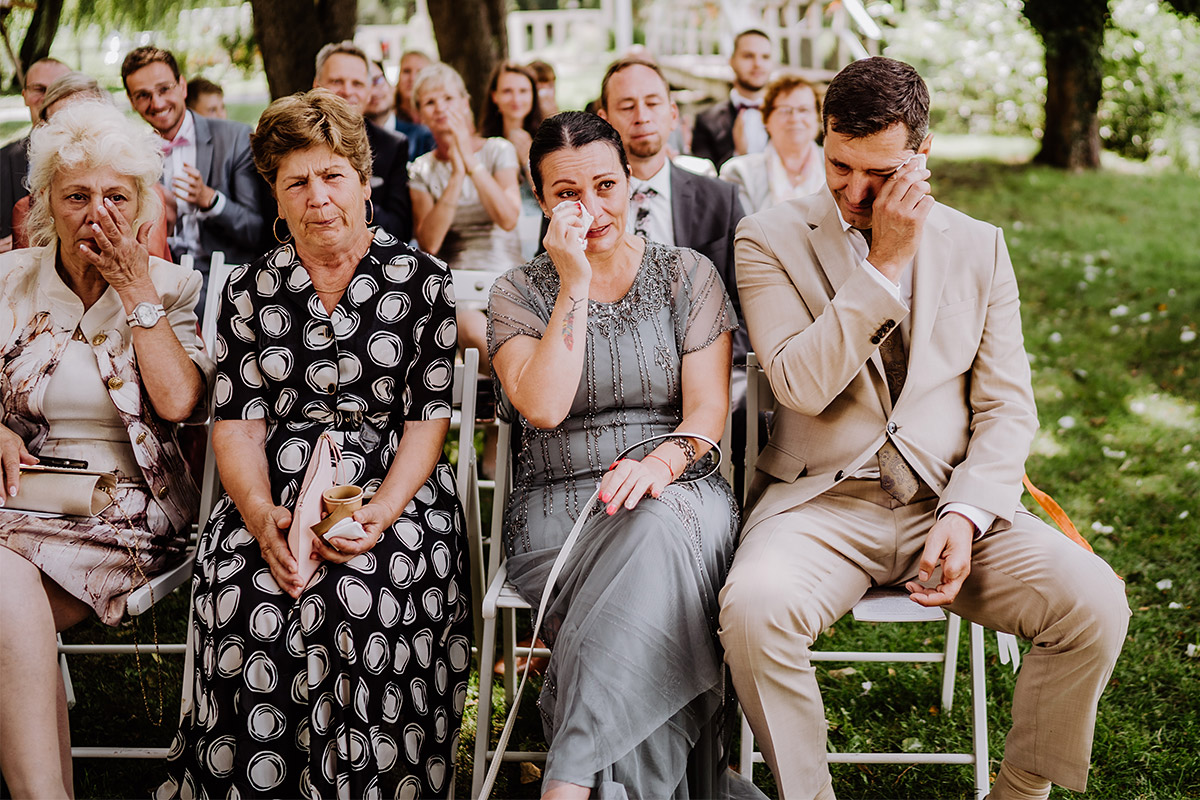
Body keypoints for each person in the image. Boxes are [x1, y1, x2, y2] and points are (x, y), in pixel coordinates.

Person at [719, 57, 1130, 800]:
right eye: (838, 164)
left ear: (922, 156)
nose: (853, 190)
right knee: (752, 612)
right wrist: (884, 263)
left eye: (878, 173)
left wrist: (968, 514)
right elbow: (798, 383)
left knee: (1095, 603)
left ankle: (1018, 791)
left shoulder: (981, 246)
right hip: (821, 508)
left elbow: (1008, 408)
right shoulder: (766, 237)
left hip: (950, 502)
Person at [158, 89, 472, 799]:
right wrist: (260, 516)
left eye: (332, 176)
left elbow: (427, 426)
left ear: (366, 183)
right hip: (271, 485)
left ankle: (378, 784)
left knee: (360, 588)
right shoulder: (247, 287)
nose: (317, 196)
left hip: (394, 488)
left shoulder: (424, 282)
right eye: (296, 181)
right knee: (249, 586)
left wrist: (381, 515)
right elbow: (236, 423)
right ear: (274, 192)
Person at [488, 110, 756, 799]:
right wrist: (572, 280)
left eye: (606, 185)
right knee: (647, 579)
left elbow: (704, 415)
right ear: (540, 200)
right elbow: (543, 407)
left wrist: (659, 464)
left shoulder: (686, 275)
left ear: (633, 181)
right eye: (567, 194)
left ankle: (571, 780)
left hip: (679, 487)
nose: (591, 208)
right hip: (560, 509)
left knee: (656, 526)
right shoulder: (517, 292)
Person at [0, 100, 212, 799]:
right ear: (45, 205)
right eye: (78, 195)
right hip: (16, 496)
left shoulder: (175, 288)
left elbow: (180, 404)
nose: (97, 210)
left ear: (143, 206)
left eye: (116, 195)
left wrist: (133, 287)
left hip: (124, 507)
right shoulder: (10, 280)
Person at [597, 56, 747, 363]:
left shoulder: (721, 199)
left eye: (652, 103)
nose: (641, 117)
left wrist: (708, 367)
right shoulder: (581, 204)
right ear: (604, 119)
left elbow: (745, 306)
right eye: (627, 107)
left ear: (673, 113)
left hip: (702, 366)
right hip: (605, 365)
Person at [122, 46, 269, 314]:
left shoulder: (235, 138)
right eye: (143, 95)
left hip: (223, 281)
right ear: (132, 101)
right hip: (159, 281)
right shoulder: (131, 154)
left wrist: (210, 201)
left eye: (164, 89)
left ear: (182, 87)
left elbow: (256, 231)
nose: (156, 103)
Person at [409, 62, 521, 372]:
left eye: (448, 98)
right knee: (473, 329)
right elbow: (429, 241)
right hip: (457, 289)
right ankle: (517, 402)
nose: (440, 108)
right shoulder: (420, 170)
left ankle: (510, 405)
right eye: (430, 102)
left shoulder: (498, 151)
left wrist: (471, 163)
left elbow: (508, 217)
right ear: (420, 113)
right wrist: (457, 175)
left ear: (465, 101)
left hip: (506, 280)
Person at [9, 73, 172, 263]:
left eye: (93, 121)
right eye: (62, 125)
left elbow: (152, 272)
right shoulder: (26, 209)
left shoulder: (145, 197)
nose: (81, 136)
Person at [313, 41, 413, 243]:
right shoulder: (289, 142)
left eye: (357, 83)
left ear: (369, 92)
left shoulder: (393, 146)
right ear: (317, 86)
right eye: (336, 81)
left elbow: (399, 229)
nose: (347, 91)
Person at [719, 71, 825, 214]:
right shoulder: (740, 173)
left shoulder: (841, 167)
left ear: (818, 119)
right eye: (785, 110)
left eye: (804, 110)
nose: (795, 118)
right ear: (766, 119)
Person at [1, 57, 71, 253]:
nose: (48, 98)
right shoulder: (1, 161)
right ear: (24, 95)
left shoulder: (97, 162)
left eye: (58, 90)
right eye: (39, 89)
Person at [692, 29, 774, 170]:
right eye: (748, 56)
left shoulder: (790, 114)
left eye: (765, 57)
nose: (758, 64)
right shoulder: (706, 121)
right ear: (732, 61)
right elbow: (702, 183)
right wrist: (738, 156)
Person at [479, 61, 544, 193]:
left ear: (533, 95)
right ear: (494, 96)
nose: (516, 99)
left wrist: (528, 160)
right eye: (507, 91)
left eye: (523, 91)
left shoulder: (550, 138)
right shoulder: (481, 143)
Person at [395, 50, 437, 160]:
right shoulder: (387, 117)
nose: (412, 78)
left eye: (419, 72)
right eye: (406, 71)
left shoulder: (439, 115)